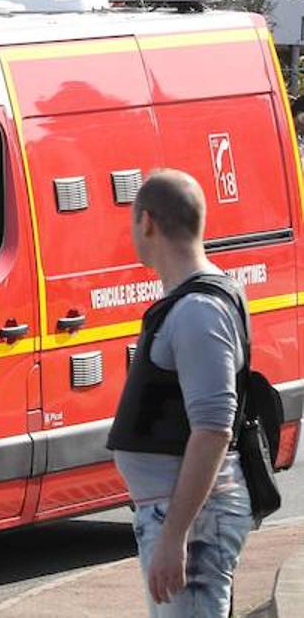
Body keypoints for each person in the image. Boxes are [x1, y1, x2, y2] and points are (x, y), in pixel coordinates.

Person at [107, 169, 253, 616]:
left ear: (147, 222)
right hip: (184, 516)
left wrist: (174, 537)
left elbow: (212, 429)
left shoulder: (197, 310)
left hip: (193, 520)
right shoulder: (198, 300)